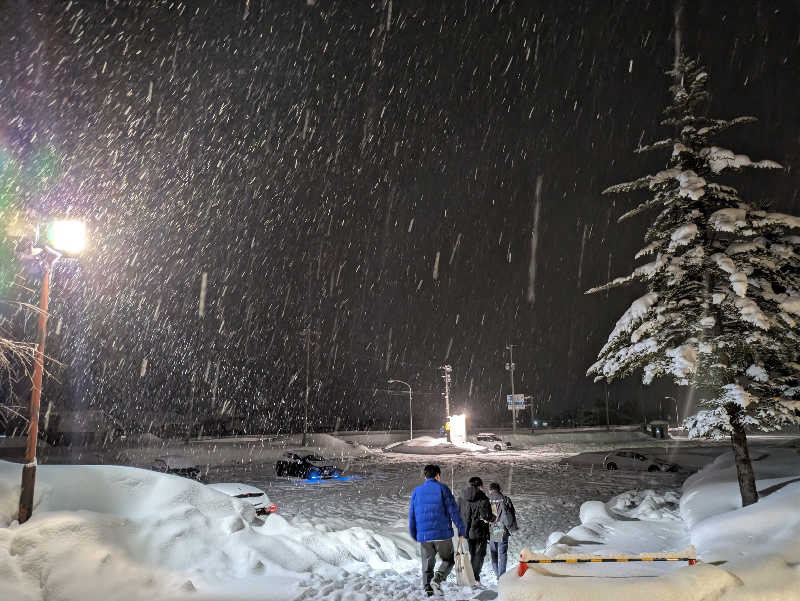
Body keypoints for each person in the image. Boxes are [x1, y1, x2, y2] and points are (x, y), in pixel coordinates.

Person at [409, 464, 467, 597]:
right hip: (442, 535)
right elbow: (454, 511)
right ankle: (437, 579)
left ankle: (428, 588)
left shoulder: (417, 491)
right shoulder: (443, 489)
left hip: (424, 535)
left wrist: (414, 533)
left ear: (425, 476)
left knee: (427, 563)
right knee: (449, 560)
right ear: (438, 476)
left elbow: (412, 514)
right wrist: (461, 529)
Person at [457, 476, 492, 586]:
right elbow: (486, 515)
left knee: (473, 553)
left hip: (466, 531)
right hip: (479, 531)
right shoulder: (483, 498)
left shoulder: (461, 497)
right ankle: (474, 578)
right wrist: (494, 518)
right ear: (480, 486)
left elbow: (457, 513)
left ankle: (471, 577)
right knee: (479, 554)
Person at [487, 482, 519, 579]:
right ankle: (502, 575)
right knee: (502, 553)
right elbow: (512, 513)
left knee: (494, 552)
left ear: (490, 490)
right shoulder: (505, 499)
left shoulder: (488, 500)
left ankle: (497, 574)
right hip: (503, 527)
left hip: (494, 527)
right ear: (499, 489)